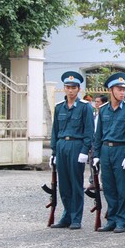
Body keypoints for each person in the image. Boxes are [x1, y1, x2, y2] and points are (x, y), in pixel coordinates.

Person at [93, 72, 125, 233]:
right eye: (119, 89)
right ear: (110, 90)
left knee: (122, 187)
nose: (122, 92)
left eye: (124, 90)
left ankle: (121, 220)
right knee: (109, 186)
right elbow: (98, 134)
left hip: (121, 149)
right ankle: (111, 219)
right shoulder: (103, 110)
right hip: (106, 150)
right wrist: (96, 155)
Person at [49, 71, 94, 230]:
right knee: (64, 184)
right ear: (64, 88)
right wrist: (53, 152)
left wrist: (84, 150)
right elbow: (55, 131)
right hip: (62, 146)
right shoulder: (59, 107)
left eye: (74, 87)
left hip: (76, 146)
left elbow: (89, 131)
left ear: (78, 89)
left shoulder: (85, 107)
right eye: (68, 87)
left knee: (75, 184)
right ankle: (66, 215)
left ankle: (76, 218)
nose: (71, 90)